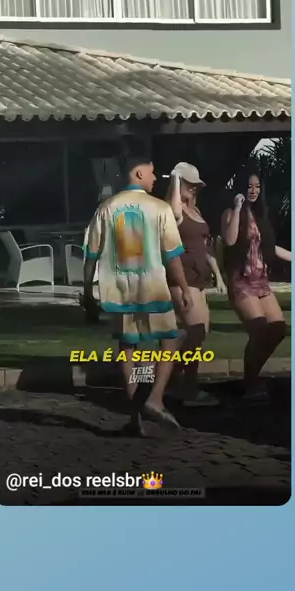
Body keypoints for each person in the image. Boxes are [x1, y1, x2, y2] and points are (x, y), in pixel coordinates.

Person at [83, 152, 192, 434]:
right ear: (139, 173)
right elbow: (173, 255)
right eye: (152, 172)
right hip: (153, 289)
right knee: (170, 340)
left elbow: (91, 254)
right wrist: (183, 287)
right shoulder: (160, 208)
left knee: (127, 349)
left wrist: (87, 291)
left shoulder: (106, 208)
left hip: (120, 292)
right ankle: (155, 398)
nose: (155, 178)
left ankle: (135, 418)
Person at [221, 165, 291, 401]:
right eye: (249, 186)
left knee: (278, 329)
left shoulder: (261, 215)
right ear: (240, 188)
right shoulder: (230, 213)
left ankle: (251, 375)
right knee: (260, 330)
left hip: (261, 281)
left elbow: (269, 247)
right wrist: (237, 207)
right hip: (241, 281)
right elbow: (230, 240)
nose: (253, 190)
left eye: (257, 186)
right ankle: (250, 382)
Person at [166, 162, 226, 406]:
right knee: (196, 332)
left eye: (196, 186)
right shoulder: (172, 210)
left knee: (200, 335)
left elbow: (206, 247)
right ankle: (173, 380)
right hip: (183, 279)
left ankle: (181, 383)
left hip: (200, 280)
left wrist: (218, 275)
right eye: (189, 184)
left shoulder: (195, 211)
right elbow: (174, 212)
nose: (193, 189)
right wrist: (175, 179)